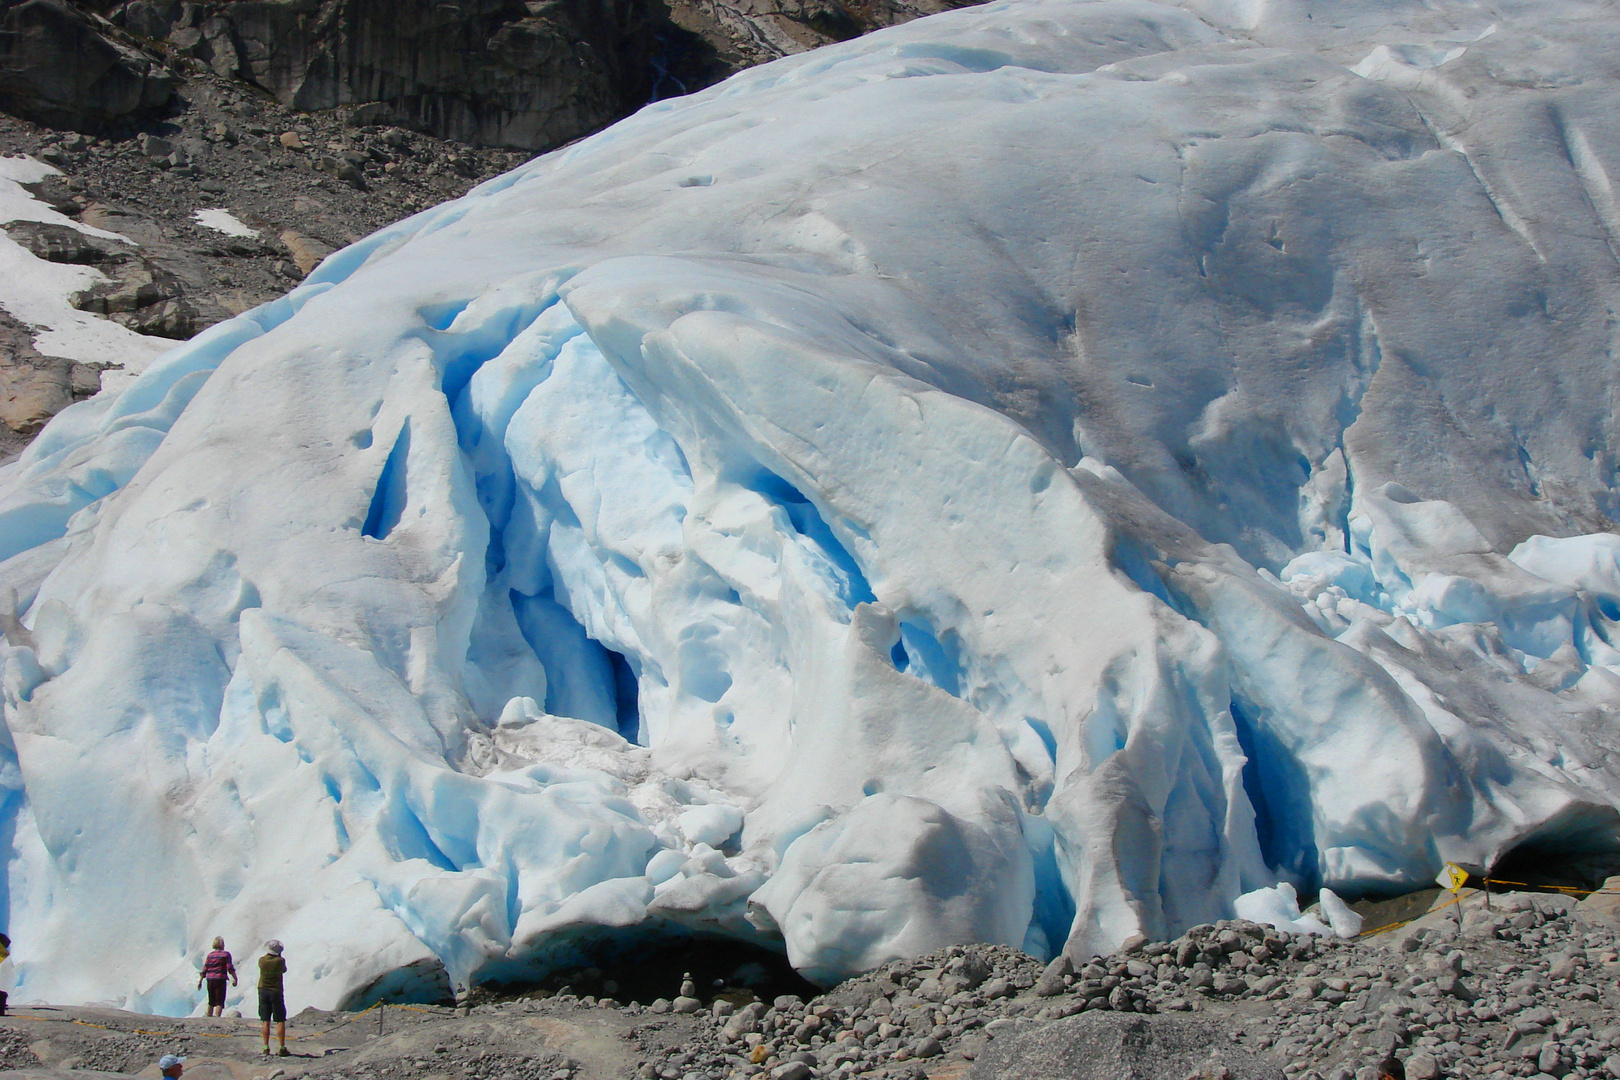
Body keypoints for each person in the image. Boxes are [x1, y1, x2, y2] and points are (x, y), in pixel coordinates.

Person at [257, 940, 289, 1057]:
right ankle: (282, 1047)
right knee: (280, 1020)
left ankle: (266, 1047)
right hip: (276, 991)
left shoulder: (262, 960)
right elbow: (283, 970)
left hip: (263, 990)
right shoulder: (280, 961)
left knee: (266, 1020)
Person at [197, 937, 237, 1017]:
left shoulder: (210, 955)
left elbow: (205, 968)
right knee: (219, 1001)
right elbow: (229, 967)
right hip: (220, 979)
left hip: (210, 979)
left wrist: (200, 981)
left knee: (211, 1000)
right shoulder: (226, 954)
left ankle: (209, 1016)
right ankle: (217, 1018)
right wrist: (235, 978)